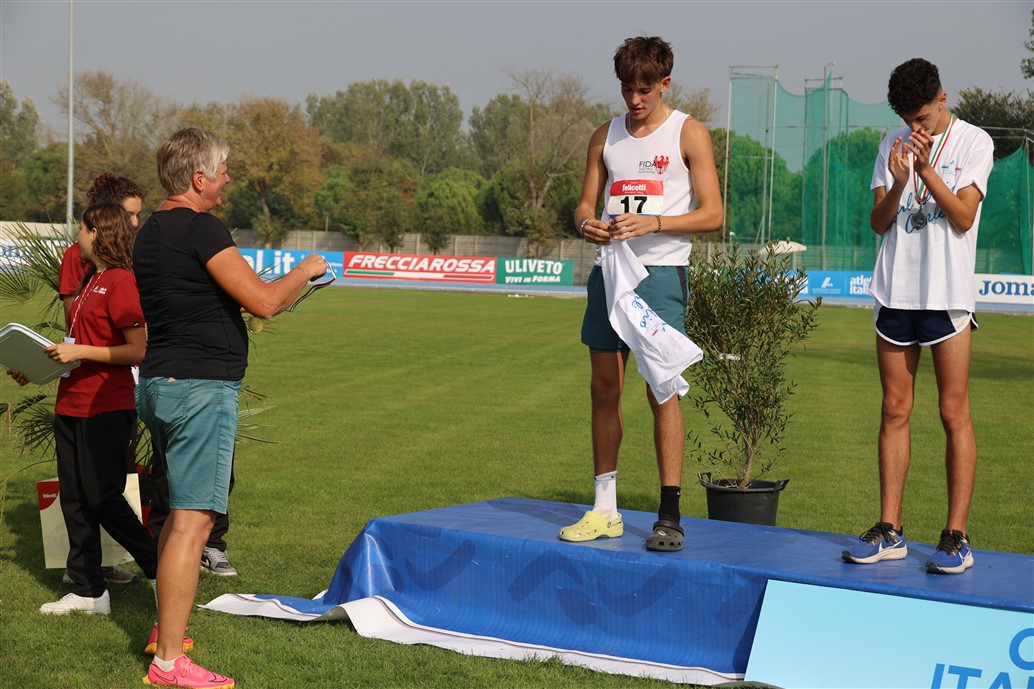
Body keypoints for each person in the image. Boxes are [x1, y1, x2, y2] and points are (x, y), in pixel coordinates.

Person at [134, 127, 326, 688]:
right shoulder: (202, 227)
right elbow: (263, 302)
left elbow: (204, 296)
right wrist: (306, 271)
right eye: (222, 172)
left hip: (161, 382)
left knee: (177, 516)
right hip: (199, 388)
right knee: (194, 522)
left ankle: (165, 631)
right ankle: (170, 662)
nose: (227, 180)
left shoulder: (153, 230)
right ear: (198, 179)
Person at [561, 36, 722, 552]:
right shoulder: (603, 136)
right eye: (627, 89)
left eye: (645, 90)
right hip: (609, 273)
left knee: (662, 390)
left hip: (661, 277)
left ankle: (669, 515)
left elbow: (713, 214)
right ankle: (605, 510)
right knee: (604, 389)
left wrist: (654, 221)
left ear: (665, 84)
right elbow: (584, 205)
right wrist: (587, 225)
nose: (634, 99)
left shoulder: (689, 132)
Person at [842, 58, 993, 574]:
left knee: (953, 412)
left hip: (947, 295)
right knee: (893, 409)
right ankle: (890, 530)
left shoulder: (974, 142)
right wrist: (900, 181)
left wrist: (926, 171)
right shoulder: (892, 144)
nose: (915, 127)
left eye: (922, 117)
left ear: (942, 98)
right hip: (895, 291)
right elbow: (878, 221)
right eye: (907, 119)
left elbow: (964, 216)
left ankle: (956, 537)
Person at [8, 203, 158, 615]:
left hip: (106, 405)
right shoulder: (91, 278)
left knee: (102, 497)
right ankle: (89, 591)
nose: (77, 235)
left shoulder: (121, 281)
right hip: (71, 402)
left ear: (97, 232)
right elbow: (77, 345)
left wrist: (80, 351)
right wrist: (34, 367)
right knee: (74, 499)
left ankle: (159, 567)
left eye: (82, 229)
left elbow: (137, 350)